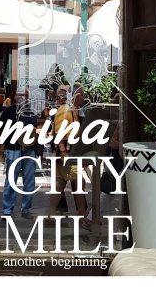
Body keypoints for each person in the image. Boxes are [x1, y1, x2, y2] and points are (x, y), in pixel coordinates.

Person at [45, 84, 90, 229]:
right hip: (66, 154)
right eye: (82, 95)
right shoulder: (66, 110)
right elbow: (59, 134)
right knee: (79, 183)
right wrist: (64, 152)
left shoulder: (73, 110)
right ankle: (82, 215)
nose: (84, 97)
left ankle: (51, 215)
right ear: (75, 95)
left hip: (67, 154)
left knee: (60, 184)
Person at [0, 91, 38, 220]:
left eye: (26, 95)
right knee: (11, 180)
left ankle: (26, 209)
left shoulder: (32, 111)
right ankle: (7, 209)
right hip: (13, 148)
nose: (24, 98)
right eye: (21, 95)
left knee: (29, 180)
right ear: (15, 96)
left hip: (29, 148)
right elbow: (1, 127)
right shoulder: (10, 110)